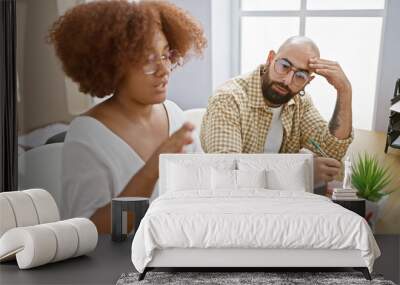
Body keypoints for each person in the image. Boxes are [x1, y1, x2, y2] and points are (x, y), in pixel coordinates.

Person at [48, 0, 207, 233]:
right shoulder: (88, 135)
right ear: (114, 65)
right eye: (148, 61)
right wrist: (151, 170)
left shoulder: (174, 114)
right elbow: (92, 232)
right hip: (119, 265)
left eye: (165, 55)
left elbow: (201, 196)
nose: (164, 70)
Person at [200, 36, 353, 184]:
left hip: (280, 203)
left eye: (300, 76)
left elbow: (332, 151)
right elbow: (228, 174)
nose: (287, 81)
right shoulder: (228, 99)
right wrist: (301, 173)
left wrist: (344, 91)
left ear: (308, 82)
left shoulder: (300, 103)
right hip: (231, 204)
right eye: (284, 66)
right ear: (270, 58)